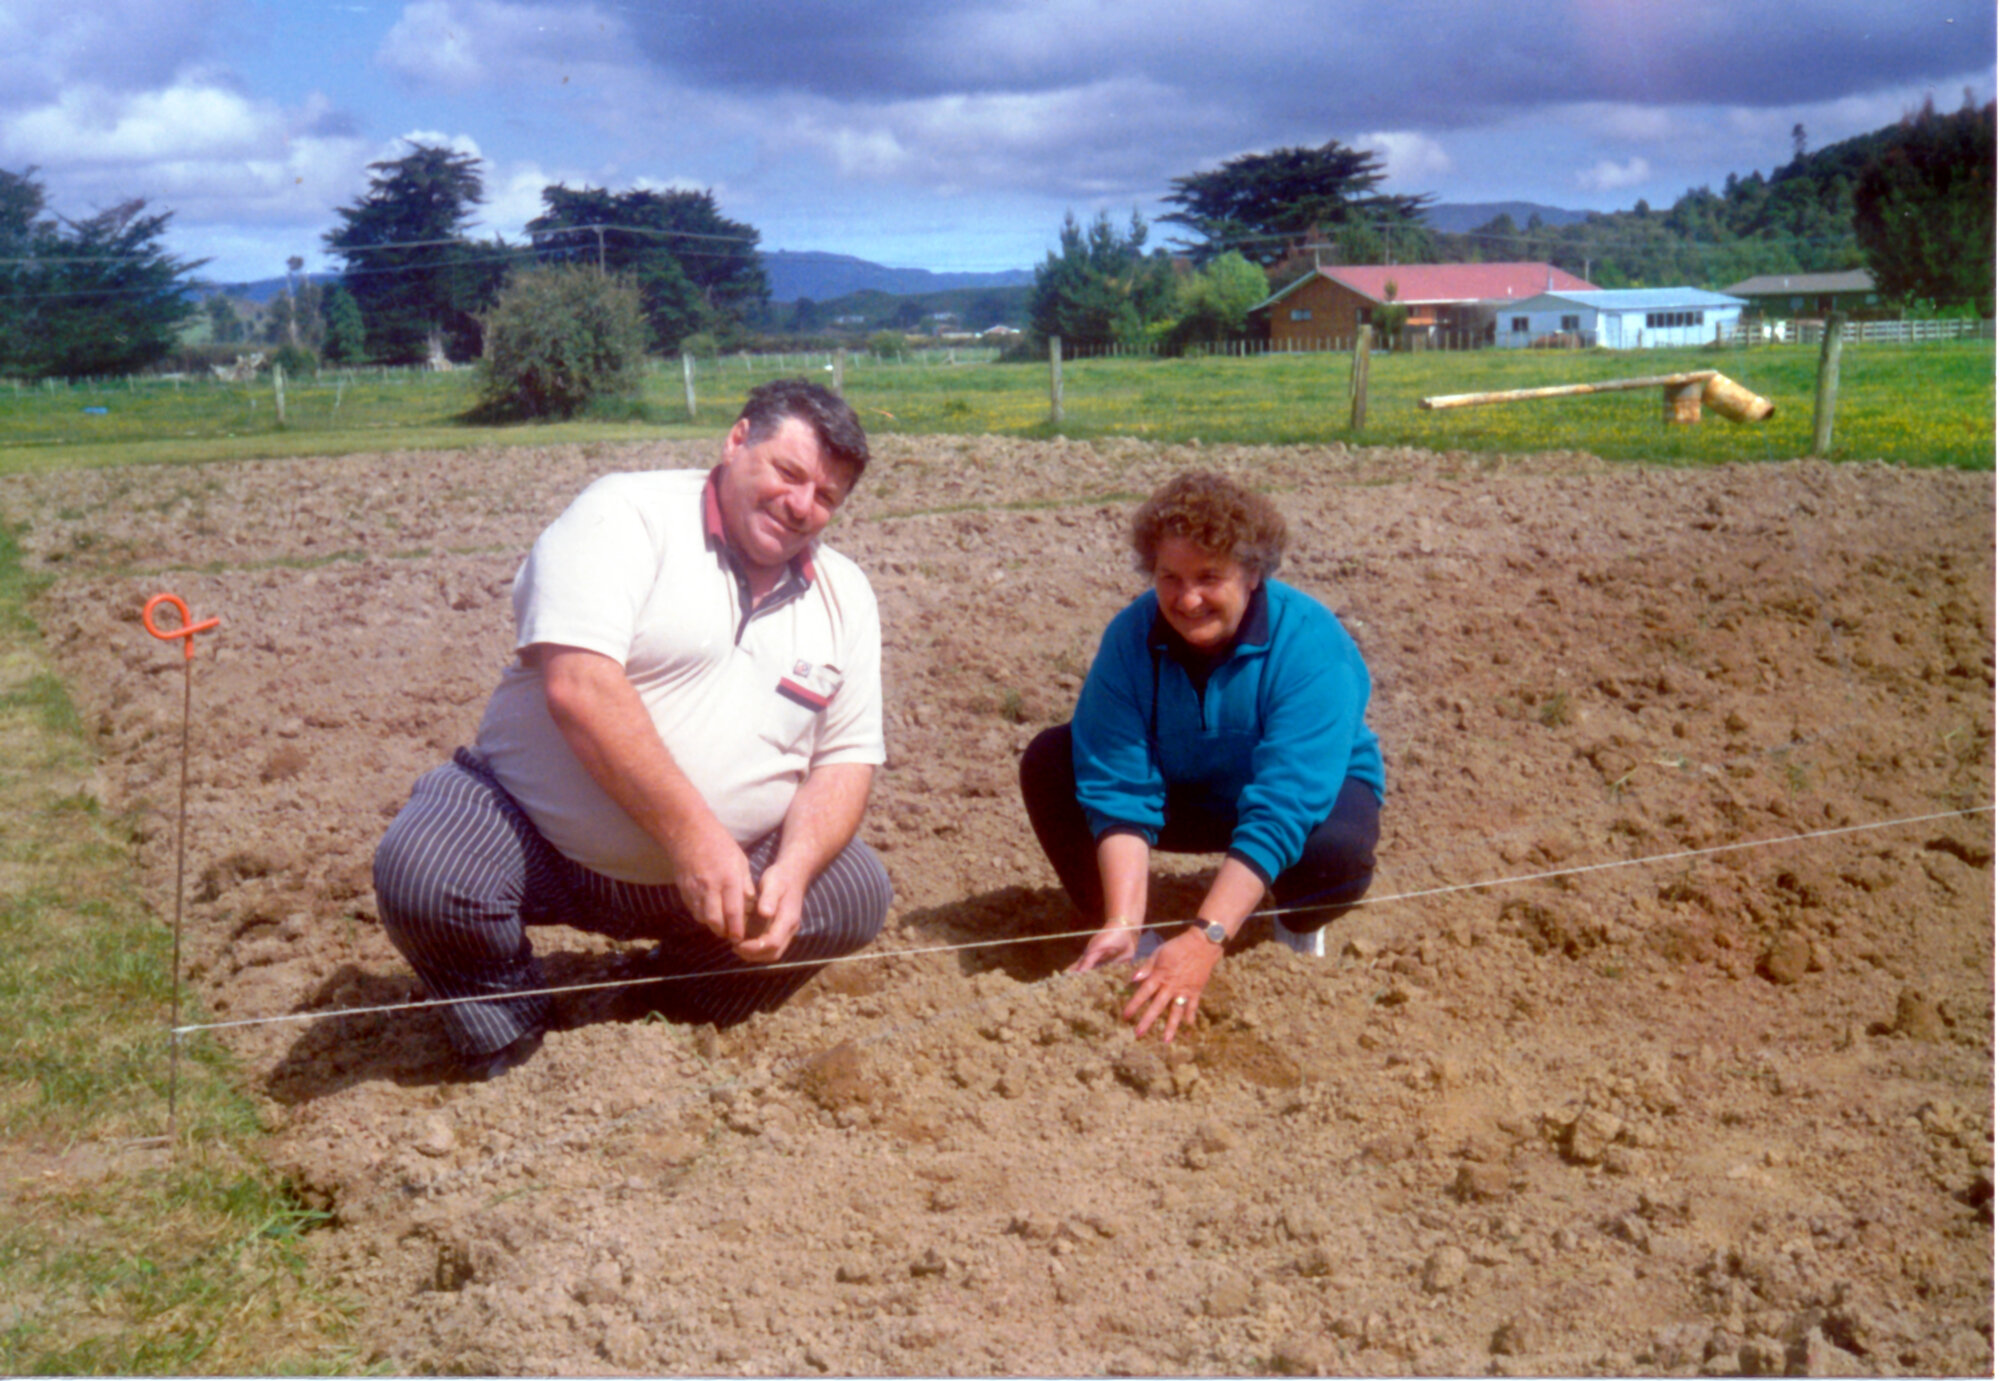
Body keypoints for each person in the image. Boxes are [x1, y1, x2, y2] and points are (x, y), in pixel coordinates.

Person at [373, 378, 891, 1079]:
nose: (802, 506)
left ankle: (667, 1009)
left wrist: (793, 871)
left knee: (851, 891)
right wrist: (692, 833)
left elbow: (846, 761)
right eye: (788, 472)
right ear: (737, 441)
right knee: (426, 869)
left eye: (825, 497)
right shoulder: (623, 515)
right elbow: (580, 686)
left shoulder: (846, 594)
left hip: (723, 872)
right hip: (536, 836)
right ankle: (510, 1029)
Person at [1019, 471, 1383, 1043]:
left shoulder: (1312, 644)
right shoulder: (1130, 638)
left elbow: (1286, 801)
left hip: (1299, 799)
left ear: (1253, 573)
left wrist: (1206, 936)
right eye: (1170, 577)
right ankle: (1132, 948)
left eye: (1209, 577)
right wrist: (1124, 917)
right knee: (1051, 761)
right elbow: (1117, 785)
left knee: (1333, 850)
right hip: (1185, 792)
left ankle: (1294, 928)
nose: (1187, 600)